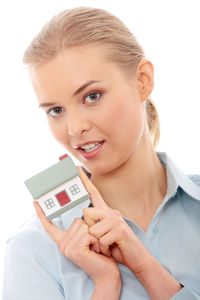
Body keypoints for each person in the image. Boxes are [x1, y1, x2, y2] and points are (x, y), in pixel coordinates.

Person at [3, 6, 200, 300]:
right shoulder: (32, 250)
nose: (75, 128)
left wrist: (145, 267)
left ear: (142, 80)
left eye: (91, 96)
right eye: (56, 111)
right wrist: (106, 285)